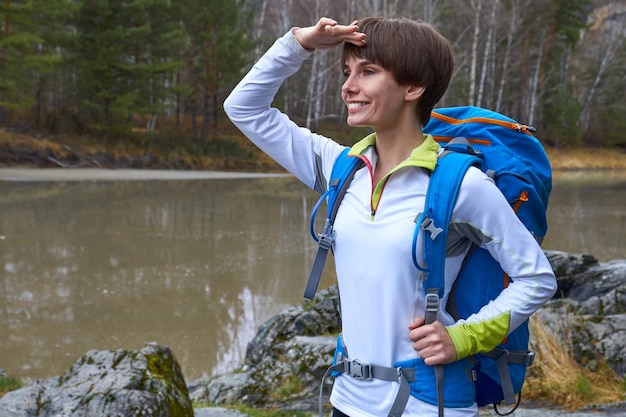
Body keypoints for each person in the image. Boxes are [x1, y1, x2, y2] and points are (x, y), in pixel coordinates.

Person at [224, 17, 557, 417]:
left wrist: (463, 337)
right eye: (348, 72)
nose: (348, 87)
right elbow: (243, 108)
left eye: (368, 72)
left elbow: (536, 278)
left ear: (413, 87)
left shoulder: (460, 185)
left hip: (429, 404)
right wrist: (300, 42)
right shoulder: (341, 169)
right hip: (346, 399)